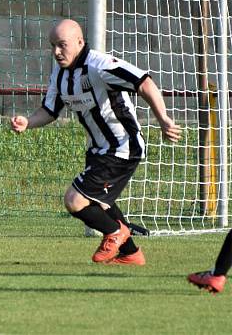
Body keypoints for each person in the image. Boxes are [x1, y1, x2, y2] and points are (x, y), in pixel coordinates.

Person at [11, 19, 181, 265]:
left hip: (122, 147)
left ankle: (116, 233)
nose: (56, 52)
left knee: (74, 200)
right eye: (52, 46)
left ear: (80, 42)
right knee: (101, 203)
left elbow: (144, 82)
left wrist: (163, 118)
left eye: (62, 45)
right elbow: (50, 110)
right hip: (98, 149)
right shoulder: (60, 74)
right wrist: (28, 122)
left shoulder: (100, 65)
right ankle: (131, 254)